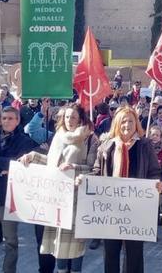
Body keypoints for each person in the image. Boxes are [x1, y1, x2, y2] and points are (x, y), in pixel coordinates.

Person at [21, 105, 94, 273]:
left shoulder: (89, 138)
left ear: (80, 119)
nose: (69, 120)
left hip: (77, 197)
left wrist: (73, 167)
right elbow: (52, 164)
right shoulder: (59, 137)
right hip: (57, 197)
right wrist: (33, 156)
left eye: (74, 117)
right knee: (58, 243)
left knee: (75, 245)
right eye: (67, 117)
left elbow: (93, 167)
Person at [90, 107, 162, 273]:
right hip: (111, 209)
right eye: (123, 121)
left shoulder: (145, 145)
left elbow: (154, 171)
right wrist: (84, 180)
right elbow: (96, 171)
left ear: (136, 123)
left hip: (135, 211)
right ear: (117, 123)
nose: (127, 125)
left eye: (131, 121)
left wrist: (156, 183)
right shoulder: (106, 146)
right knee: (110, 253)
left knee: (134, 255)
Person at [0, 107, 39, 273]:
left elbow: (22, 164)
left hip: (10, 198)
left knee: (10, 241)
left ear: (17, 120)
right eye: (4, 118)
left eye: (10, 118)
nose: (6, 121)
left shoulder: (25, 141)